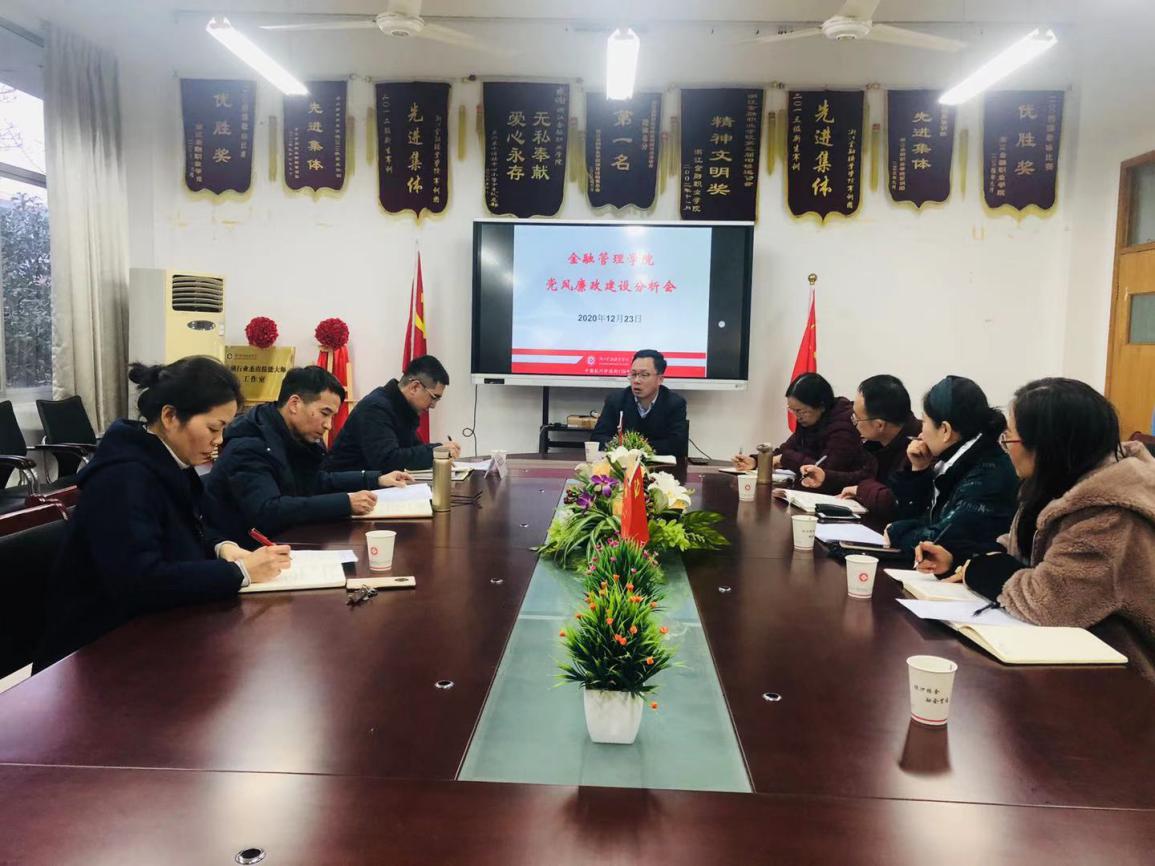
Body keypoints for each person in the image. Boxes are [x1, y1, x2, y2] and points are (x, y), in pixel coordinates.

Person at [35, 358, 291, 670]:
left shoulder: (168, 461)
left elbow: (186, 526)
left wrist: (221, 547)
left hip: (152, 630)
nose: (219, 440)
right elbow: (141, 581)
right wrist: (240, 573)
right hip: (97, 653)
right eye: (213, 428)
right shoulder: (123, 479)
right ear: (170, 416)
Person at [916, 379, 1155, 639]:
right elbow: (1016, 553)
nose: (1005, 447)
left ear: (1047, 446)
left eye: (1009, 437)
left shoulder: (1112, 513)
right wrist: (960, 560)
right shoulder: (1054, 482)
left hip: (1119, 658)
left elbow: (1051, 601)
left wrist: (978, 570)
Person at [204, 366, 414, 547]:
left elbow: (316, 481)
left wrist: (376, 479)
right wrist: (345, 503)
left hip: (285, 540)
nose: (328, 425)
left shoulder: (290, 434)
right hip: (247, 552)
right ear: (294, 404)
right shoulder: (250, 444)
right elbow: (268, 511)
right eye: (324, 413)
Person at [886, 375, 1018, 560]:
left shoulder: (988, 473)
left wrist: (895, 532)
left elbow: (940, 541)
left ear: (945, 430)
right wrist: (918, 470)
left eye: (924, 422)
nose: (921, 433)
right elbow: (922, 518)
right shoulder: (956, 459)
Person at [798, 374, 921, 520]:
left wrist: (861, 490)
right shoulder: (877, 441)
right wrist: (826, 477)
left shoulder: (918, 448)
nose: (853, 423)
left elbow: (897, 501)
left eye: (856, 418)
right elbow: (864, 476)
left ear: (879, 425)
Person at [325, 354, 460, 473]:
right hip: (346, 489)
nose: (433, 405)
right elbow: (387, 460)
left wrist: (438, 454)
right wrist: (436, 451)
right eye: (433, 397)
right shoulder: (375, 408)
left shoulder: (403, 407)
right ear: (415, 387)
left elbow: (412, 449)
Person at [732, 372, 864, 476]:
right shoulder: (810, 421)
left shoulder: (843, 426)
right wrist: (756, 461)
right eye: (792, 410)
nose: (797, 416)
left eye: (800, 411)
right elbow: (786, 450)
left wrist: (786, 459)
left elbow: (826, 470)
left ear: (821, 406)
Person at [591, 350, 689, 457]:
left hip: (660, 465)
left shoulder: (674, 403)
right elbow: (598, 438)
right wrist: (625, 449)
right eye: (633, 374)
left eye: (644, 375)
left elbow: (677, 444)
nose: (636, 380)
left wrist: (638, 448)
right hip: (623, 464)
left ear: (660, 379)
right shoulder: (615, 400)